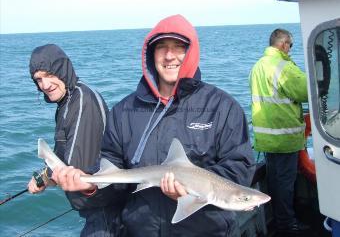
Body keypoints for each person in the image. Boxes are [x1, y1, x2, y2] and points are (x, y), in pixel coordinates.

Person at [52, 15, 255, 236]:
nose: (169, 55)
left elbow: (240, 168)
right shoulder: (124, 111)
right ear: (151, 54)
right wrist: (90, 187)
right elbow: (115, 183)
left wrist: (191, 188)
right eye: (162, 47)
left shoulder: (223, 107)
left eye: (179, 47)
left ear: (191, 53)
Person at [27, 44, 123, 237]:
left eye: (50, 74)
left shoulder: (82, 101)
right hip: (94, 210)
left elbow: (75, 169)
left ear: (62, 69)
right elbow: (62, 154)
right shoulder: (66, 103)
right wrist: (45, 175)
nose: (45, 85)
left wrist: (44, 177)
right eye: (39, 79)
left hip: (105, 213)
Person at [249, 29, 309, 236]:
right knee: (285, 184)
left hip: (266, 138)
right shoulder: (283, 67)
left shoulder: (258, 66)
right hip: (284, 137)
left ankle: (282, 220)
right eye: (290, 45)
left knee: (275, 182)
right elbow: (306, 91)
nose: (291, 50)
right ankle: (287, 225)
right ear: (283, 44)